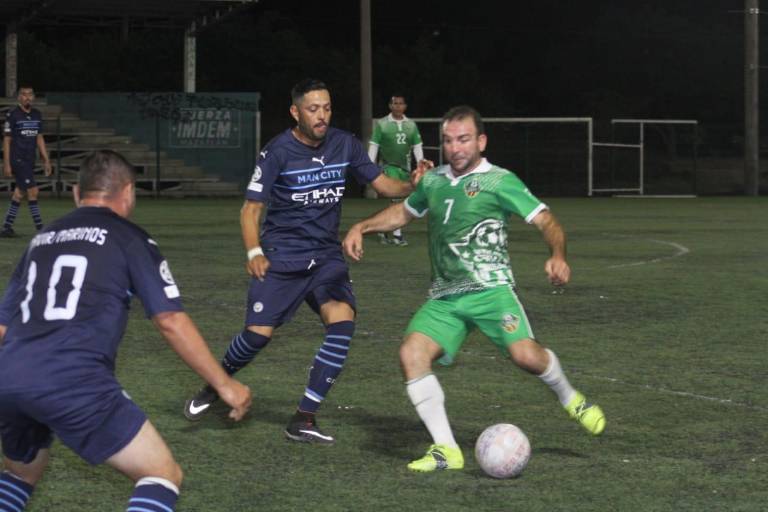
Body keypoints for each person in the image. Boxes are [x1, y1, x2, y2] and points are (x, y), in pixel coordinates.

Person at [343, 106, 606, 472]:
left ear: (481, 141)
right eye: (449, 141)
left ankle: (570, 397)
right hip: (445, 297)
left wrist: (558, 254)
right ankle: (446, 450)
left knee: (527, 357)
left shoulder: (500, 181)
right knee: (411, 355)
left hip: (490, 291)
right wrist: (361, 227)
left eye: (464, 139)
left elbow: (546, 220)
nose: (456, 148)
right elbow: (403, 212)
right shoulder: (433, 181)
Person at [0, 150, 251, 511]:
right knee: (161, 474)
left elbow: (4, 325)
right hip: (74, 378)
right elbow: (170, 320)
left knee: (20, 475)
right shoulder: (129, 237)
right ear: (129, 192)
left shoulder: (42, 240)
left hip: (10, 376)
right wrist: (225, 385)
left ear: (76, 193)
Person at [183, 79, 428, 444]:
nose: (322, 116)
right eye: (313, 109)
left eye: (327, 108)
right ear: (295, 112)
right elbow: (250, 210)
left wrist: (411, 184)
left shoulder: (345, 144)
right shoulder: (276, 152)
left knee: (342, 320)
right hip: (282, 257)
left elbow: (382, 185)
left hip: (326, 255)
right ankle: (215, 384)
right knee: (257, 337)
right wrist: (254, 251)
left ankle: (303, 419)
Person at [368, 94, 424, 246]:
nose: (398, 106)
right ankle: (397, 235)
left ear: (405, 106)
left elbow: (417, 147)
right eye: (395, 103)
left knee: (398, 201)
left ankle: (382, 228)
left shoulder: (411, 125)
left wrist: (421, 166)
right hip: (388, 166)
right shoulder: (382, 124)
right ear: (390, 106)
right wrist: (368, 166)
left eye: (401, 103)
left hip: (405, 169)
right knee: (396, 200)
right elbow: (374, 145)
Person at [1, 86, 52, 237]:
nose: (27, 97)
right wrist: (7, 163)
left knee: (19, 193)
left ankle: (6, 227)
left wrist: (46, 160)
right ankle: (40, 229)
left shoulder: (37, 114)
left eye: (30, 94)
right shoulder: (13, 114)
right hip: (17, 159)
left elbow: (39, 138)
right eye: (24, 94)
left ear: (34, 97)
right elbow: (7, 140)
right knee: (33, 191)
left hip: (30, 160)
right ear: (19, 98)